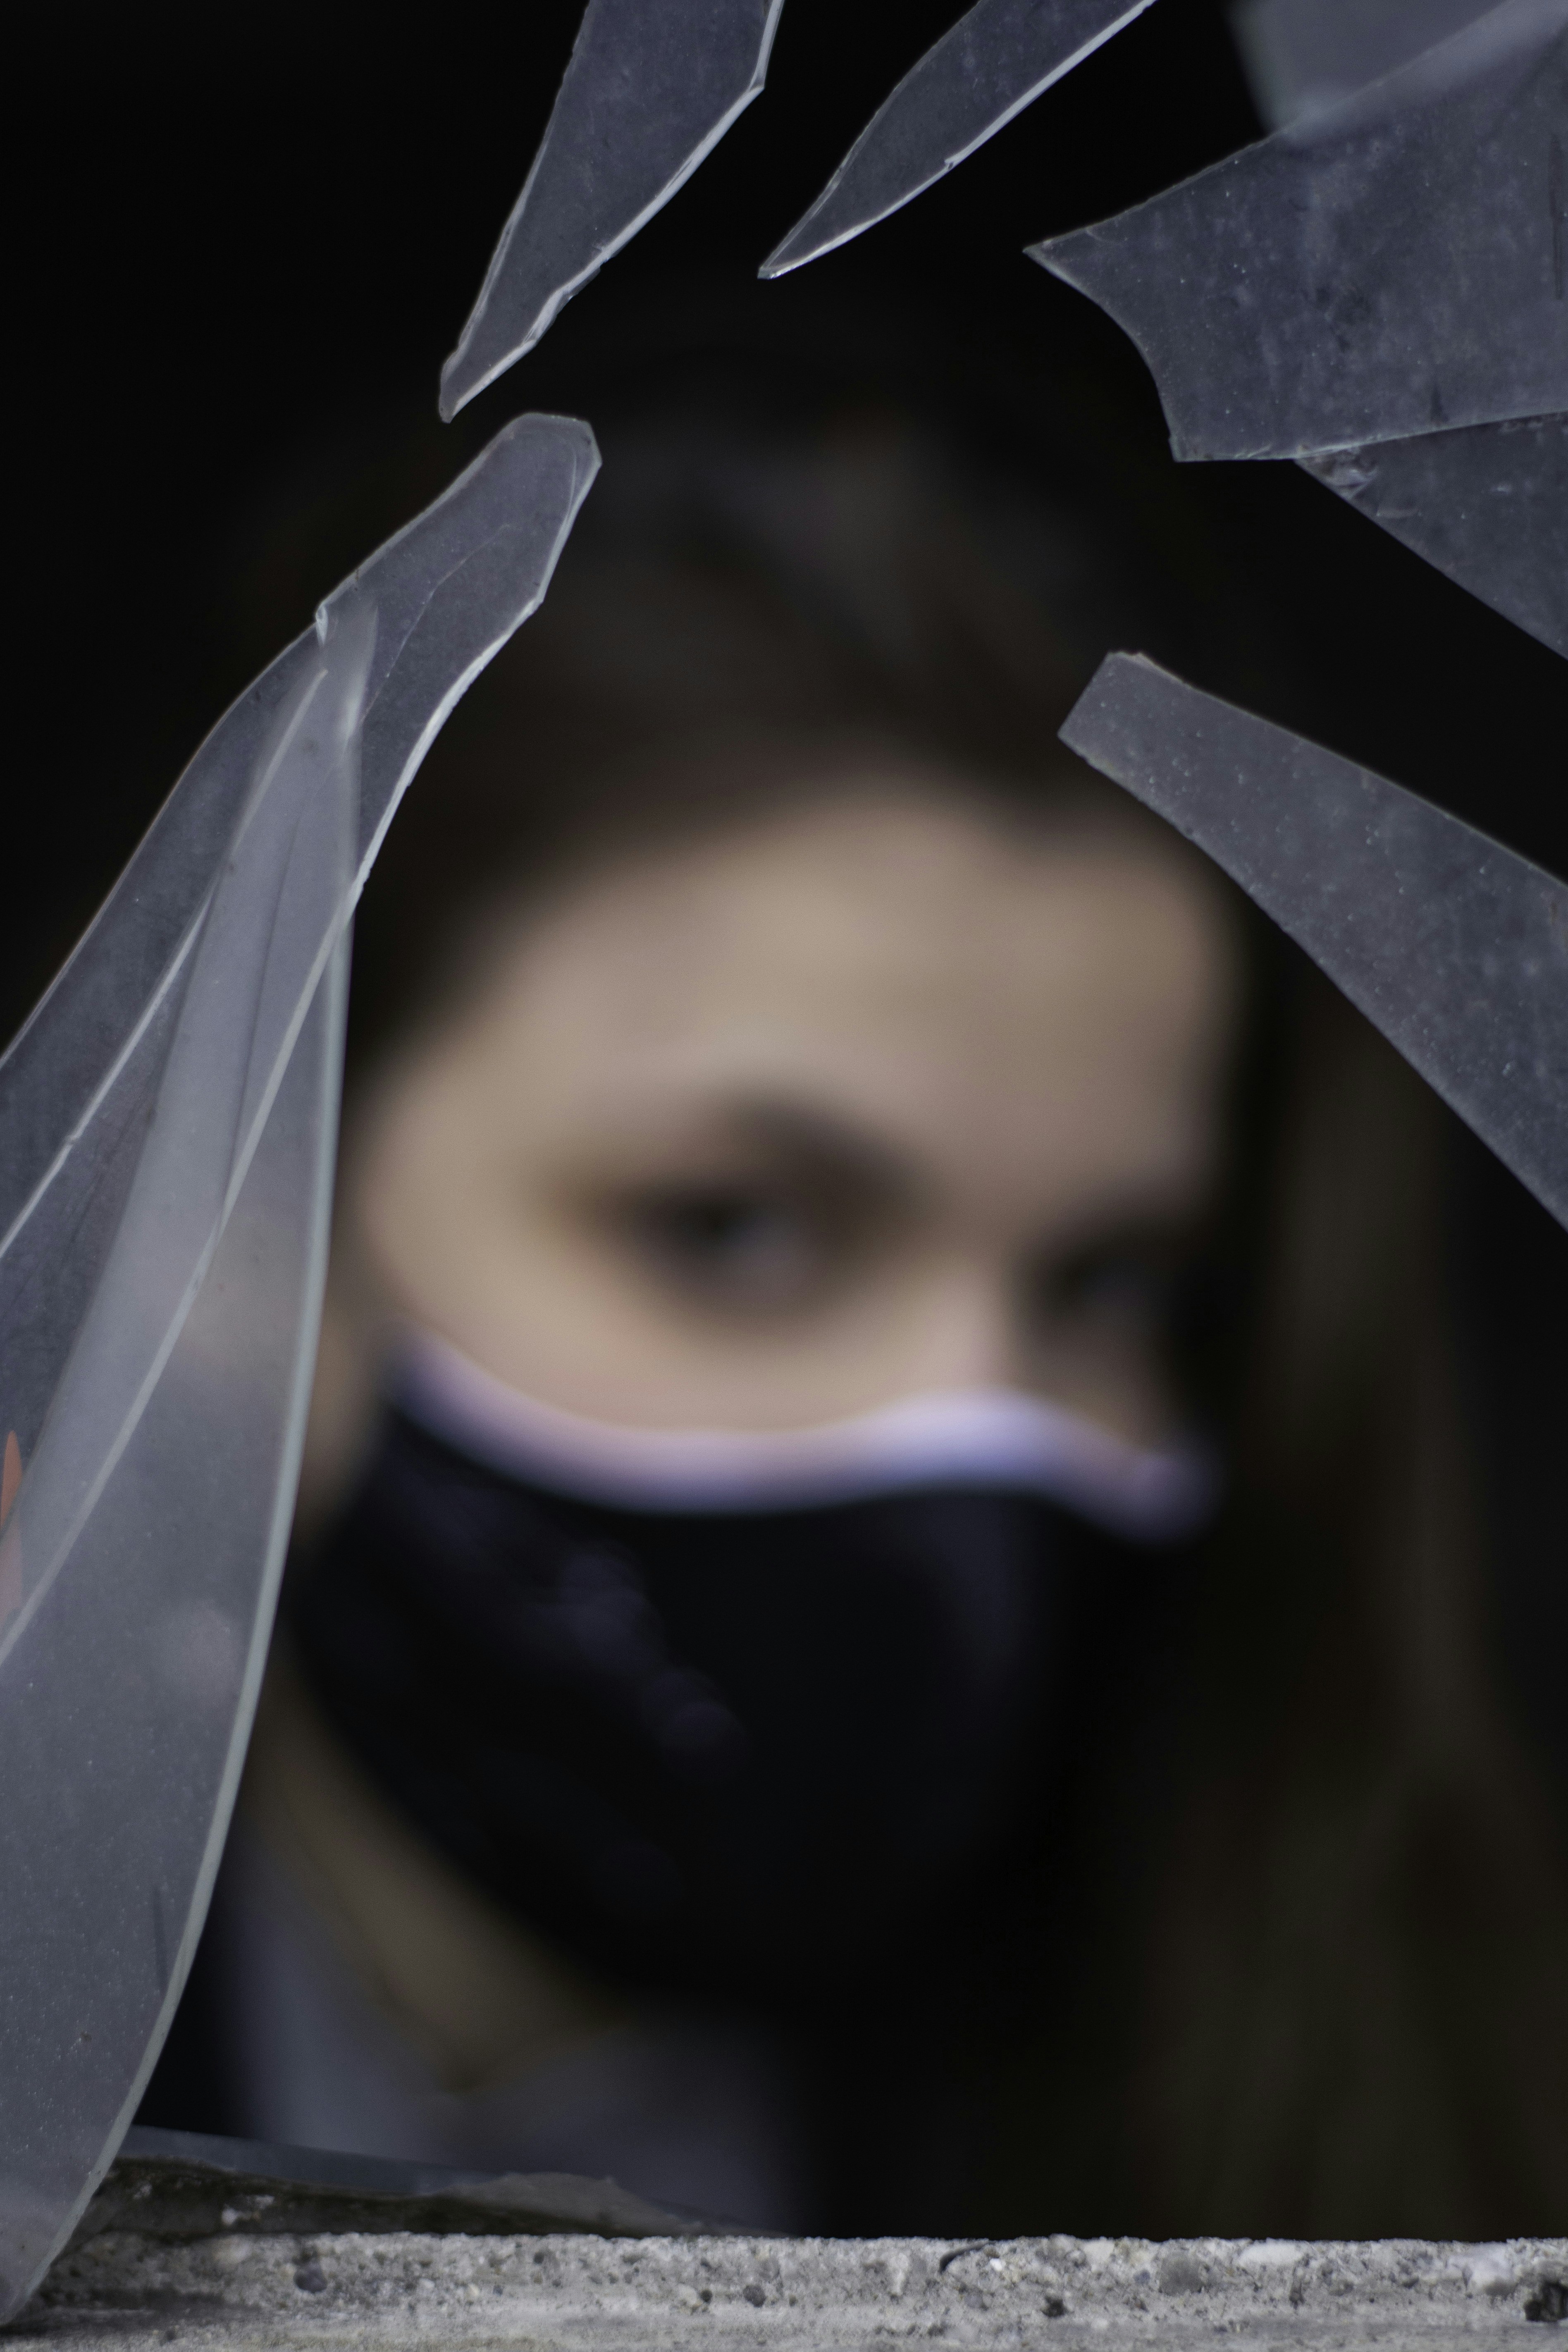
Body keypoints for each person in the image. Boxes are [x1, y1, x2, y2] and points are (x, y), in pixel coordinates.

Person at [143, 359, 1568, 2238]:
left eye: (1110, 1281)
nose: (963, 1416)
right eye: (731, 1226)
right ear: (255, 1200)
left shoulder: (1394, 2136)